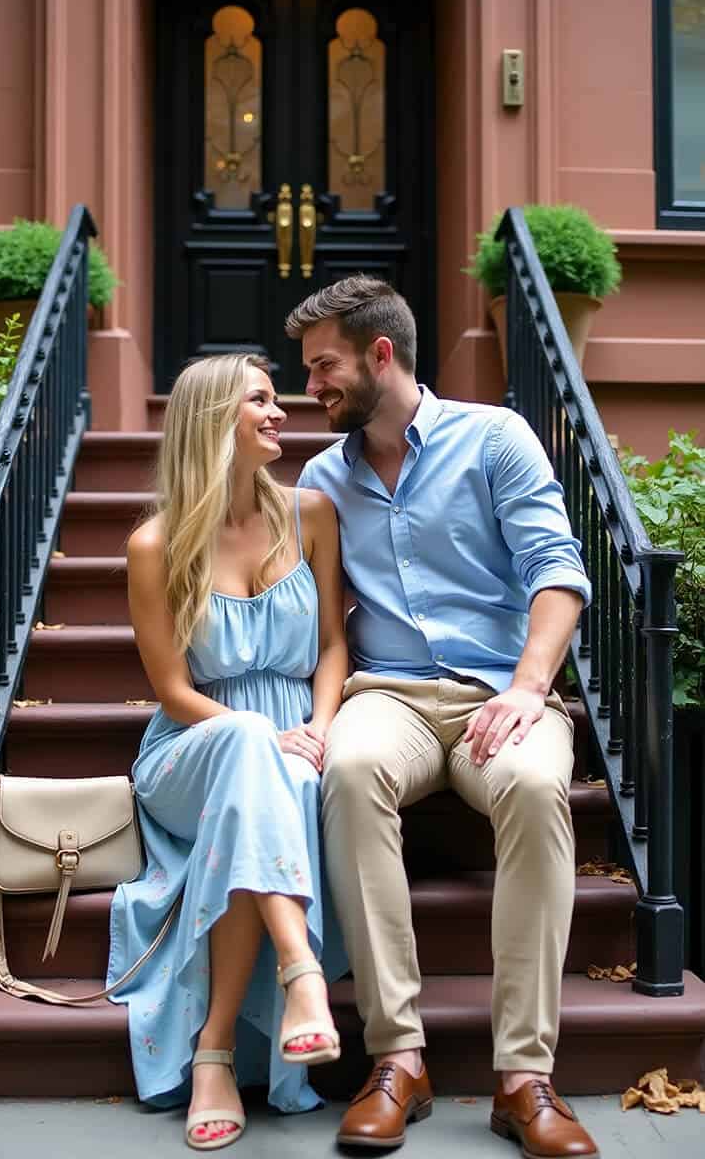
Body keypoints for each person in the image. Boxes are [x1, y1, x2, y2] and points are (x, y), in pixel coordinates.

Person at [287, 275, 600, 1159]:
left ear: (379, 355)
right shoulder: (320, 476)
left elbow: (557, 569)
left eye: (324, 367)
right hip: (385, 693)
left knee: (538, 787)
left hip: (499, 690)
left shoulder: (493, 437)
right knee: (347, 772)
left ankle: (522, 1077)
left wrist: (529, 688)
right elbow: (316, 616)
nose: (313, 386)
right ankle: (398, 1059)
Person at [106, 353, 348, 1151]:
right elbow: (172, 690)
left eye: (278, 398)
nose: (281, 412)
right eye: (261, 400)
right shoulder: (155, 543)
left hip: (293, 741)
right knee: (249, 748)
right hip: (193, 746)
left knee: (270, 784)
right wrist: (262, 733)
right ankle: (298, 967)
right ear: (214, 419)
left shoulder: (309, 513)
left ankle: (213, 1053)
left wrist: (317, 726)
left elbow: (332, 645)